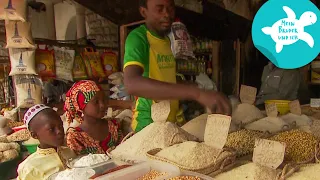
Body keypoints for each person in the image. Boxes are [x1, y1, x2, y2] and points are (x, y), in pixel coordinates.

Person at [123, 0, 231, 132]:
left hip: (170, 122)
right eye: (160, 9)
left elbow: (164, 78)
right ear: (143, 12)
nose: (167, 14)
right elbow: (132, 83)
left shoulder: (167, 40)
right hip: (148, 124)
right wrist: (195, 93)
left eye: (170, 8)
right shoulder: (138, 38)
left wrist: (195, 88)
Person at [17, 104, 75, 180]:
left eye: (60, 126)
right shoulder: (30, 168)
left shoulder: (69, 152)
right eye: (51, 129)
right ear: (34, 135)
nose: (59, 131)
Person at [65, 80, 123, 155]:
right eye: (96, 102)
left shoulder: (113, 125)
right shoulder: (75, 137)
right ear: (81, 106)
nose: (102, 105)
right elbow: (78, 163)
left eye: (104, 100)